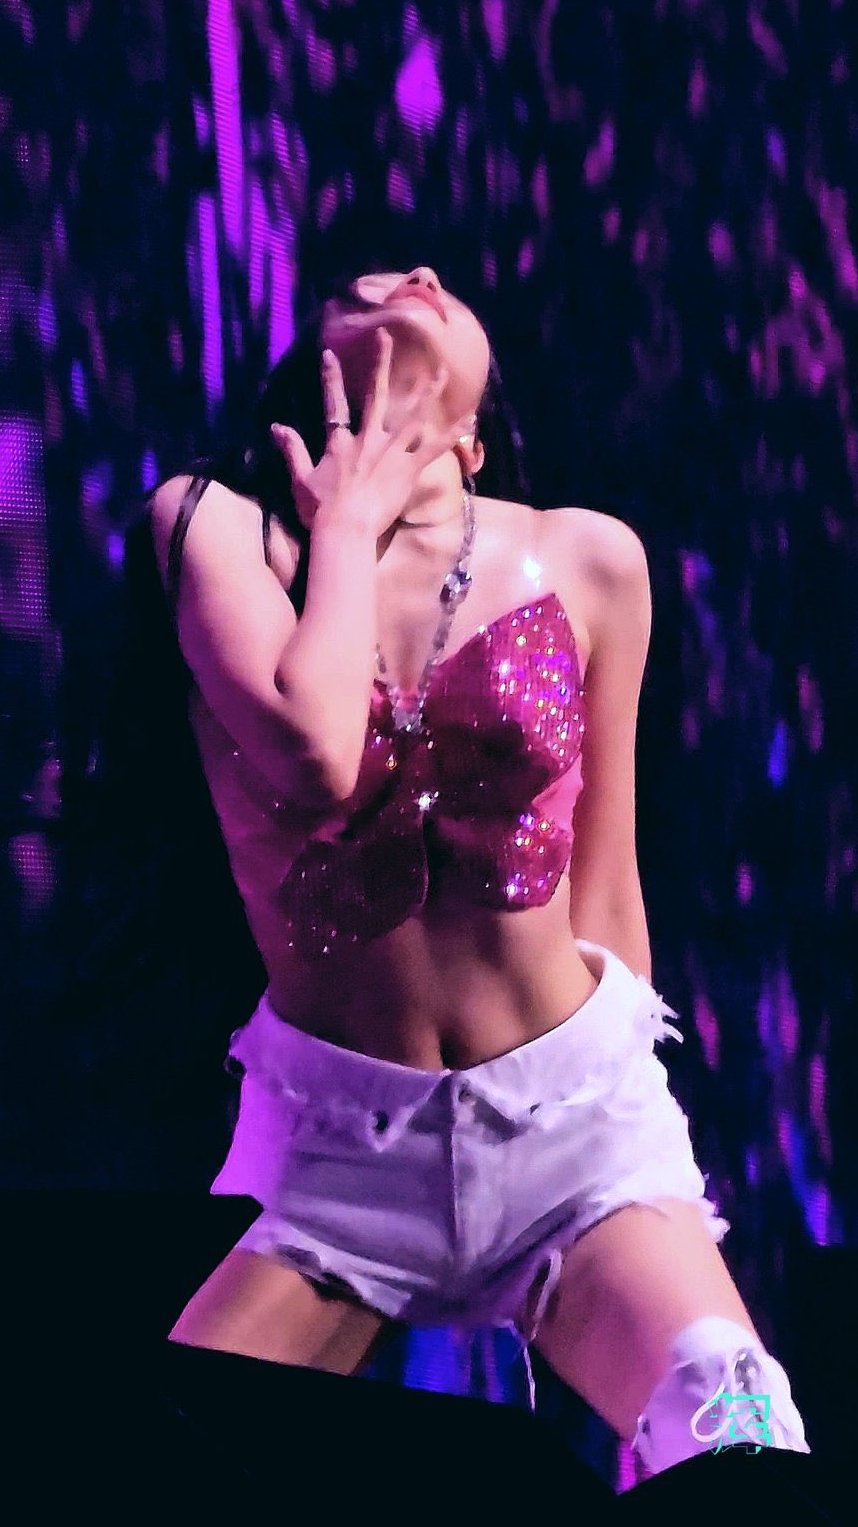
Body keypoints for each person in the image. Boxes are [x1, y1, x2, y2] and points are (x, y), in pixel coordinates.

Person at [148, 266, 809, 1474]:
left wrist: (640, 1143)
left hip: (572, 1130)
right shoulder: (218, 525)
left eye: (437, 283)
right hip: (338, 1153)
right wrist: (345, 524)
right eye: (367, 279)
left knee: (737, 1426)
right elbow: (313, 753)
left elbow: (606, 878)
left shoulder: (588, 556)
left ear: (476, 432)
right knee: (157, 1455)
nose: (415, 277)